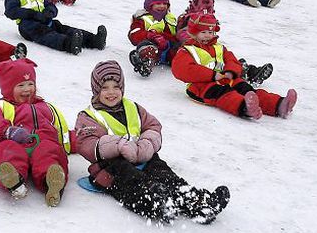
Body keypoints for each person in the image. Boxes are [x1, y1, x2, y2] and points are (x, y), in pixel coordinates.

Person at [74, 61, 230, 224]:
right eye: (105, 88)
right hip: (109, 167)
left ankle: (198, 203)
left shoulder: (133, 107)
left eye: (116, 87)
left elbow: (153, 126)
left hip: (142, 157)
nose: (111, 92)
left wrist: (146, 145)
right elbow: (86, 143)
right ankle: (155, 201)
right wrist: (118, 145)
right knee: (130, 178)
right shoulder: (88, 116)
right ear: (96, 89)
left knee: (164, 173)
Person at [0, 58, 70, 206]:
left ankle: (52, 180)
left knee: (50, 150)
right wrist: (7, 131)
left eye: (30, 84)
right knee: (8, 151)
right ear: (8, 88)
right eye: (21, 85)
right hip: (13, 142)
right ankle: (12, 178)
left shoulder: (47, 107)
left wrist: (80, 141)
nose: (27, 89)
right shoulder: (1, 106)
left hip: (42, 143)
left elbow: (63, 130)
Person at [171, 12, 297, 119]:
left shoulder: (219, 47)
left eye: (210, 32)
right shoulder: (187, 50)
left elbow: (232, 60)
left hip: (226, 79)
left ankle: (279, 105)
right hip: (201, 86)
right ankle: (245, 108)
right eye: (203, 32)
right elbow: (182, 69)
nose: (208, 35)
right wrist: (213, 76)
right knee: (224, 94)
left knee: (245, 88)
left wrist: (230, 72)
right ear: (194, 33)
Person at [4, 0, 106, 55]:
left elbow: (50, 5)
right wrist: (33, 14)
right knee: (48, 34)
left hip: (45, 20)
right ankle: (69, 44)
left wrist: (50, 12)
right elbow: (10, 11)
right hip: (28, 26)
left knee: (64, 28)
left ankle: (94, 40)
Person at [176, 0, 273, 86]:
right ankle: (246, 74)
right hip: (198, 60)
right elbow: (183, 36)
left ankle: (251, 71)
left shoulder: (208, 24)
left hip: (210, 56)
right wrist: (196, 38)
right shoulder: (188, 24)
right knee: (224, 67)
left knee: (233, 62)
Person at [127, 0, 179, 77]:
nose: (162, 6)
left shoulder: (170, 18)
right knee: (148, 49)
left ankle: (184, 65)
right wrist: (150, 35)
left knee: (180, 52)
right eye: (158, 4)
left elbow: (176, 34)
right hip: (153, 45)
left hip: (168, 48)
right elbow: (134, 34)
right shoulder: (142, 18)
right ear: (149, 5)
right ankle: (145, 64)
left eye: (165, 4)